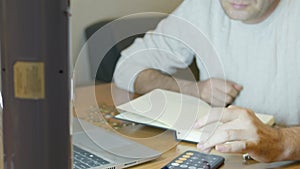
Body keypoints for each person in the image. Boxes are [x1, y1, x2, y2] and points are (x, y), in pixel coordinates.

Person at [113, 0, 300, 162]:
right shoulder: (201, 7)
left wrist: (280, 142)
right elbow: (126, 69)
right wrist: (195, 90)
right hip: (217, 155)